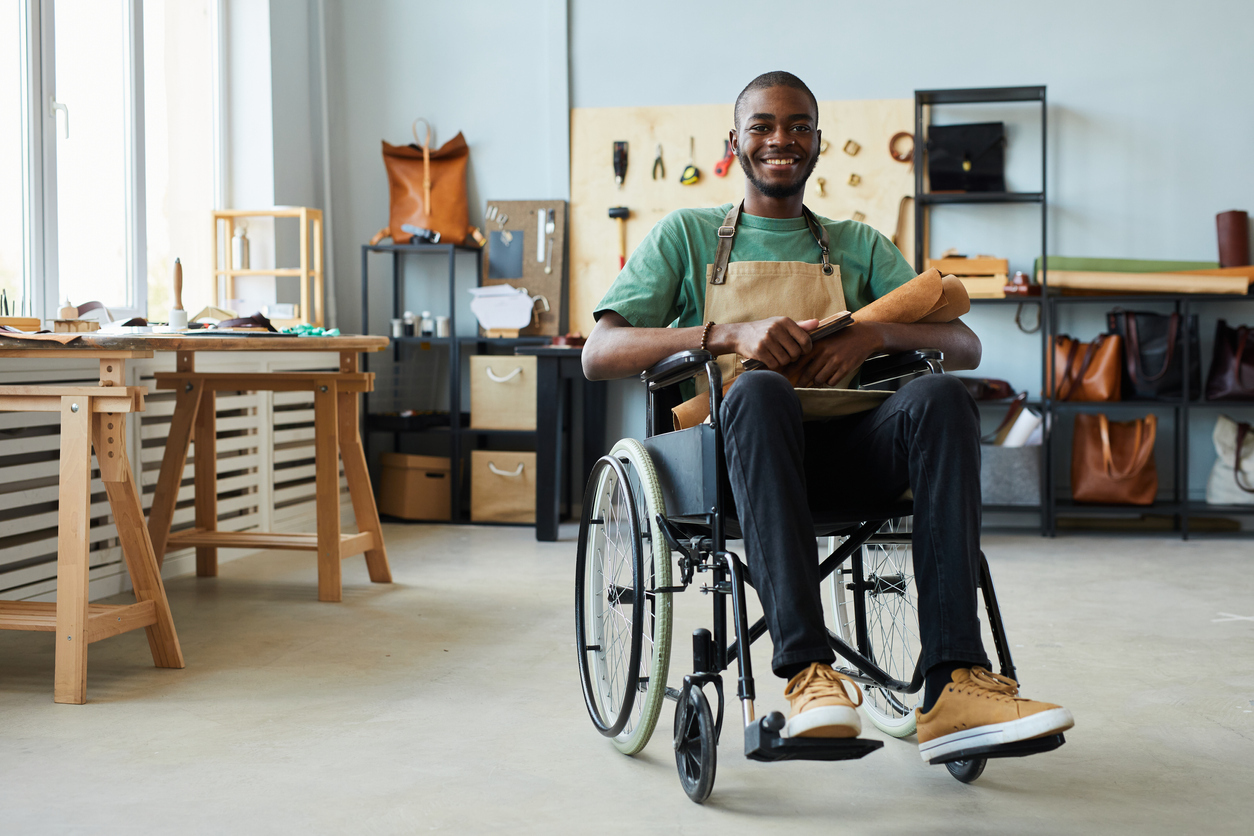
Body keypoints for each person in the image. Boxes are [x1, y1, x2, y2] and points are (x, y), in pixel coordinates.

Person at [581, 71, 1073, 762]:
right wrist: (727, 335)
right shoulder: (686, 237)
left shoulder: (857, 245)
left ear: (818, 143)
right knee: (757, 390)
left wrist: (873, 335)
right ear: (735, 142)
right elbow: (600, 352)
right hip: (734, 464)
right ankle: (810, 673)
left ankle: (954, 680)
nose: (781, 139)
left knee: (940, 396)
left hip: (848, 460)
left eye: (798, 126)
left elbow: (963, 344)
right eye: (763, 126)